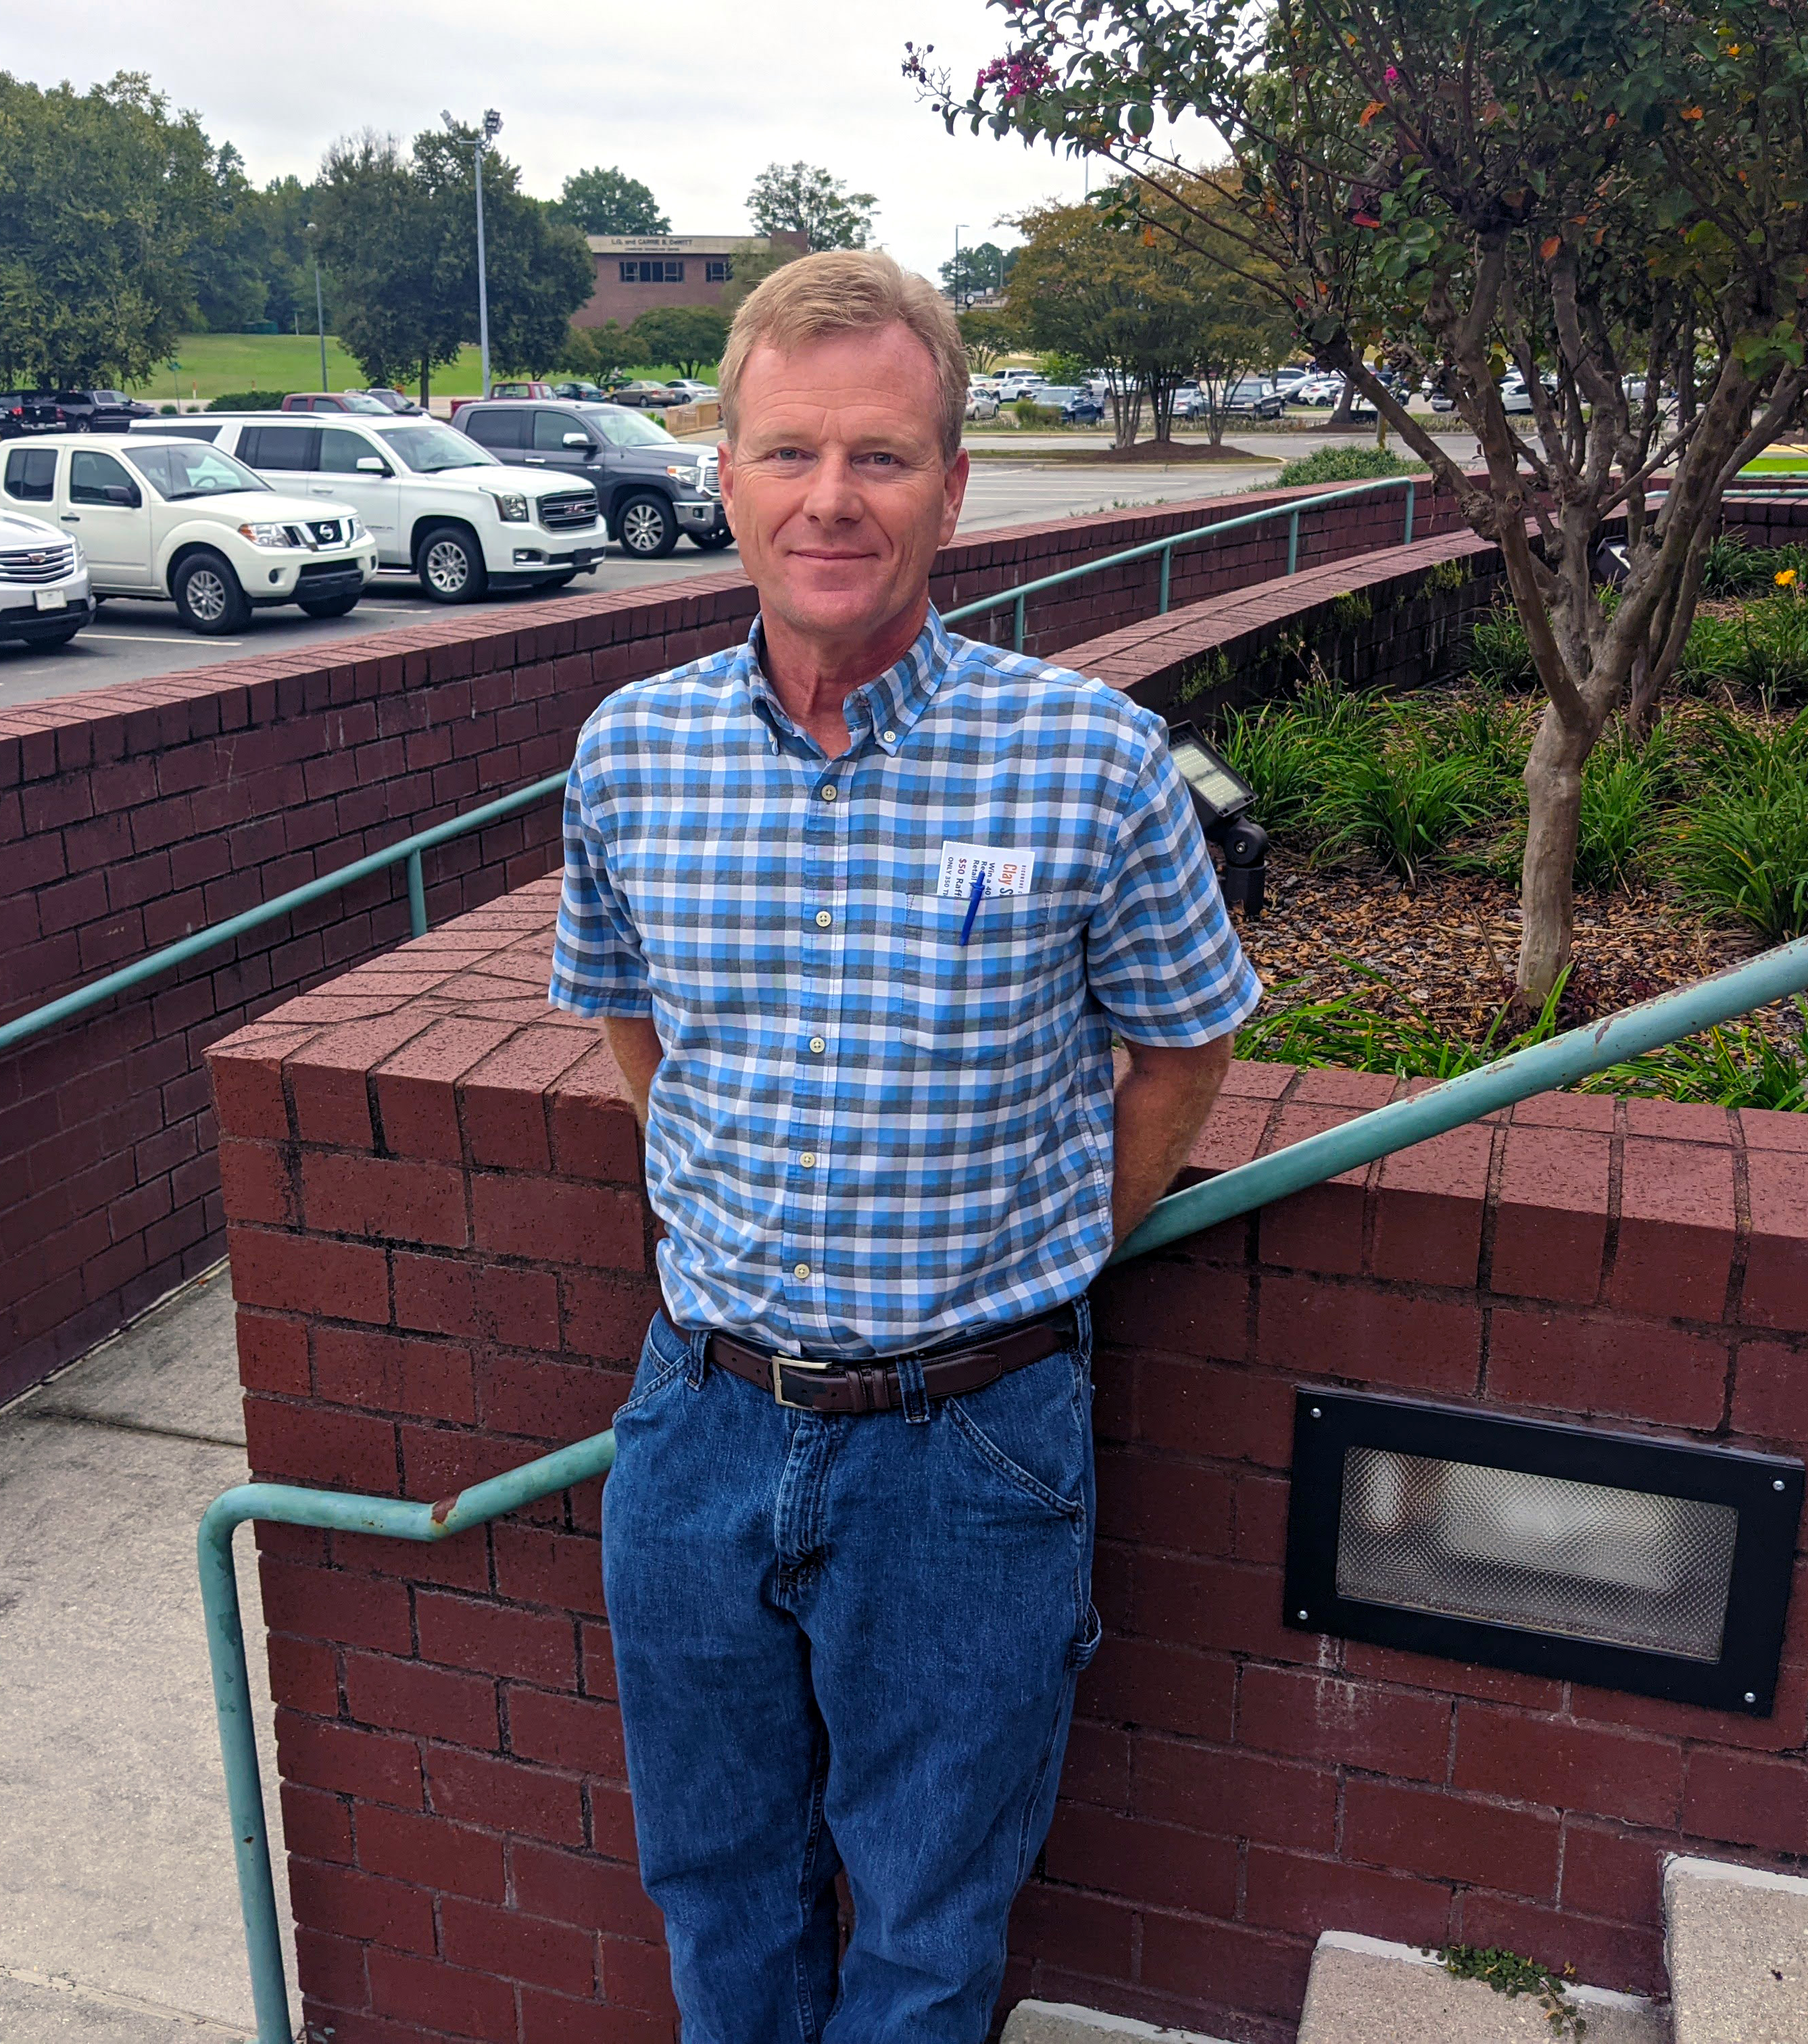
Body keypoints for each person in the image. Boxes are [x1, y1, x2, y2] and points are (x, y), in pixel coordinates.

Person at [549, 249, 1260, 2042]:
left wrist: (1042, 1259)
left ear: (953, 485)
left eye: (880, 457)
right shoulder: (630, 756)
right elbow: (642, 1038)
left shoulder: (1091, 761)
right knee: (715, 1888)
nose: (830, 500)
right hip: (698, 1423)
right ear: (723, 466)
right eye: (788, 453)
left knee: (933, 1930)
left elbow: (1183, 1052)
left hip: (970, 1448)